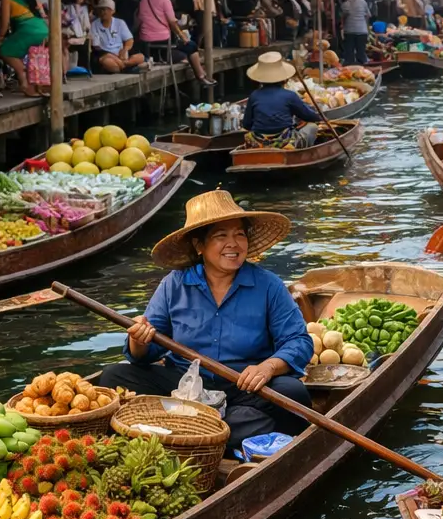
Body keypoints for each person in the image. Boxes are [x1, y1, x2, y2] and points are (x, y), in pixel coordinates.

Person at [94, 190, 313, 452]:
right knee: (112, 376)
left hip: (242, 386)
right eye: (221, 236)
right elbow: (144, 355)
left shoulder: (268, 285)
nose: (233, 244)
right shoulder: (174, 285)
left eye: (239, 234)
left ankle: (188, 428)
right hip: (184, 385)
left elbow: (299, 341)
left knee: (293, 394)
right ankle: (221, 428)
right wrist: (137, 339)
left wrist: (267, 367)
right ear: (199, 245)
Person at [241, 51, 319, 148]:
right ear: (284, 79)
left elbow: (246, 124)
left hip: (259, 141)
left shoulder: (254, 95)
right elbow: (309, 116)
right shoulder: (290, 95)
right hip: (283, 141)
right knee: (312, 127)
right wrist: (318, 116)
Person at [0, 0, 49, 96]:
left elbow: (4, 27)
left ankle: (24, 79)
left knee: (5, 50)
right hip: (43, 29)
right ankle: (36, 85)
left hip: (28, 31)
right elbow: (43, 14)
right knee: (33, 56)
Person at [89, 0, 143, 75]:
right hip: (105, 55)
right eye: (101, 9)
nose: (103, 12)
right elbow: (96, 47)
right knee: (108, 63)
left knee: (141, 57)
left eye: (106, 9)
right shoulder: (94, 25)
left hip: (120, 55)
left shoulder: (120, 23)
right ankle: (127, 68)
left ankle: (123, 66)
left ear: (112, 11)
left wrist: (125, 49)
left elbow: (129, 40)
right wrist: (112, 56)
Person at [340, 0, 371, 65]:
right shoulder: (363, 2)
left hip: (349, 31)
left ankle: (350, 70)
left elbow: (343, 17)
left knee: (349, 54)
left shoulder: (345, 4)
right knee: (361, 52)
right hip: (362, 30)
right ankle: (363, 70)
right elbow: (368, 16)